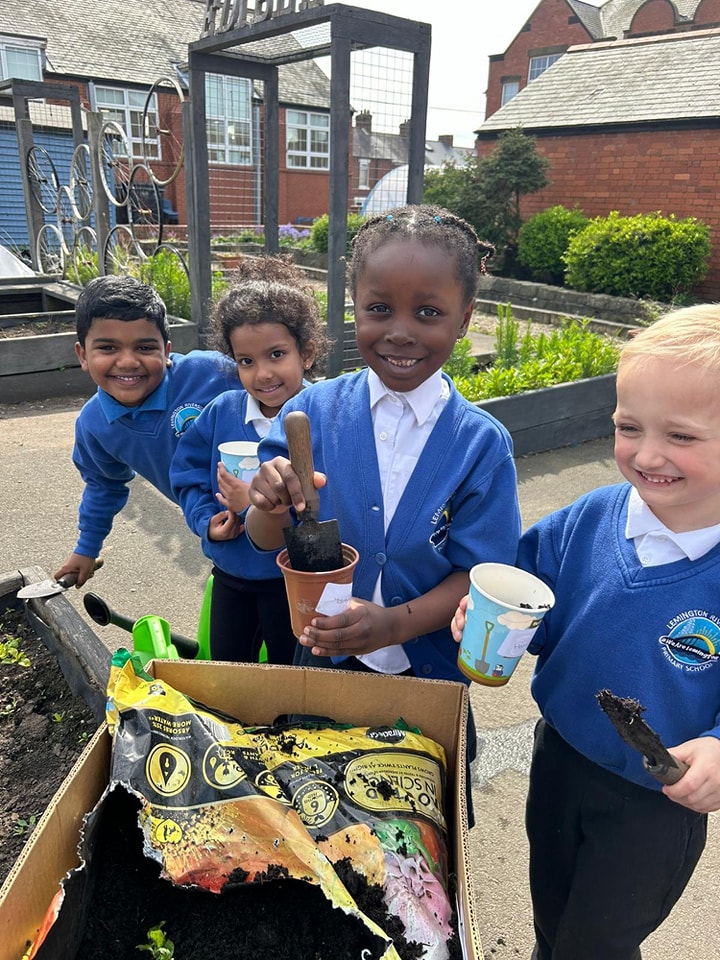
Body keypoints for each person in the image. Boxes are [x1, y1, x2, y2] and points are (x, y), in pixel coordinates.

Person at [452, 304, 720, 960]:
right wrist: (484, 619)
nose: (647, 454)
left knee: (596, 945)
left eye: (681, 437)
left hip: (655, 802)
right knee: (552, 912)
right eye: (629, 427)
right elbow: (531, 599)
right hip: (560, 757)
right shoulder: (591, 517)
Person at [245, 204, 521, 689]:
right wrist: (267, 503)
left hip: (428, 669)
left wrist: (394, 625)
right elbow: (266, 537)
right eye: (379, 309)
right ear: (354, 305)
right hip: (323, 650)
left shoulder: (481, 446)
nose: (400, 331)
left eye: (429, 312)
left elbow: (477, 575)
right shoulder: (310, 414)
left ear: (465, 318)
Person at [170, 255, 331, 664]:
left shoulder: (324, 418)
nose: (262, 374)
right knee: (229, 671)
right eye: (246, 361)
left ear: (307, 353)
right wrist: (206, 520)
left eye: (276, 354)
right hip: (231, 577)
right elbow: (187, 477)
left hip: (292, 583)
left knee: (287, 676)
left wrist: (253, 503)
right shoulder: (222, 413)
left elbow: (329, 504)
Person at [54, 275, 242, 587]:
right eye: (107, 347)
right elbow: (103, 485)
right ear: (82, 355)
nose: (127, 361)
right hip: (217, 529)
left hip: (278, 503)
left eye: (144, 347)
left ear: (166, 351)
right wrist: (86, 548)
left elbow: (289, 392)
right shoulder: (94, 426)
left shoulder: (210, 372)